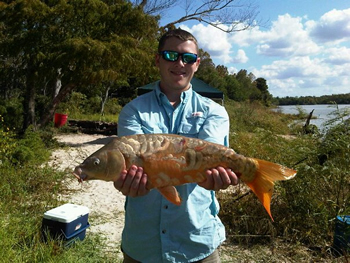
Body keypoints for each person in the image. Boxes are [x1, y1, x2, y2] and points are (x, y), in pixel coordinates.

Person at [114, 29, 239, 263]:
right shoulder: (133, 111)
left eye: (188, 58)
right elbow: (131, 165)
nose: (180, 63)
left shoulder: (215, 112)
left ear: (197, 64)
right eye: (171, 55)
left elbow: (208, 163)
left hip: (197, 242)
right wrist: (127, 181)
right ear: (158, 59)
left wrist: (217, 177)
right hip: (143, 246)